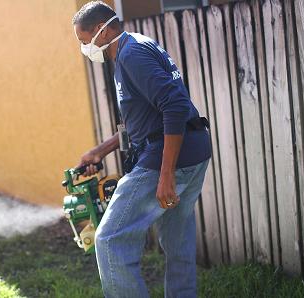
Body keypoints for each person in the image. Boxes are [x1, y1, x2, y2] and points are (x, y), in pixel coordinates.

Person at [72, 1, 212, 297]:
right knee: (178, 242)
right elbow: (144, 113)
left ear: (100, 29)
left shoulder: (131, 55)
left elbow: (173, 105)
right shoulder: (136, 45)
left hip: (169, 158)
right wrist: (103, 149)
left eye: (84, 41)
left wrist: (166, 175)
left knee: (110, 239)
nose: (85, 49)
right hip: (194, 150)